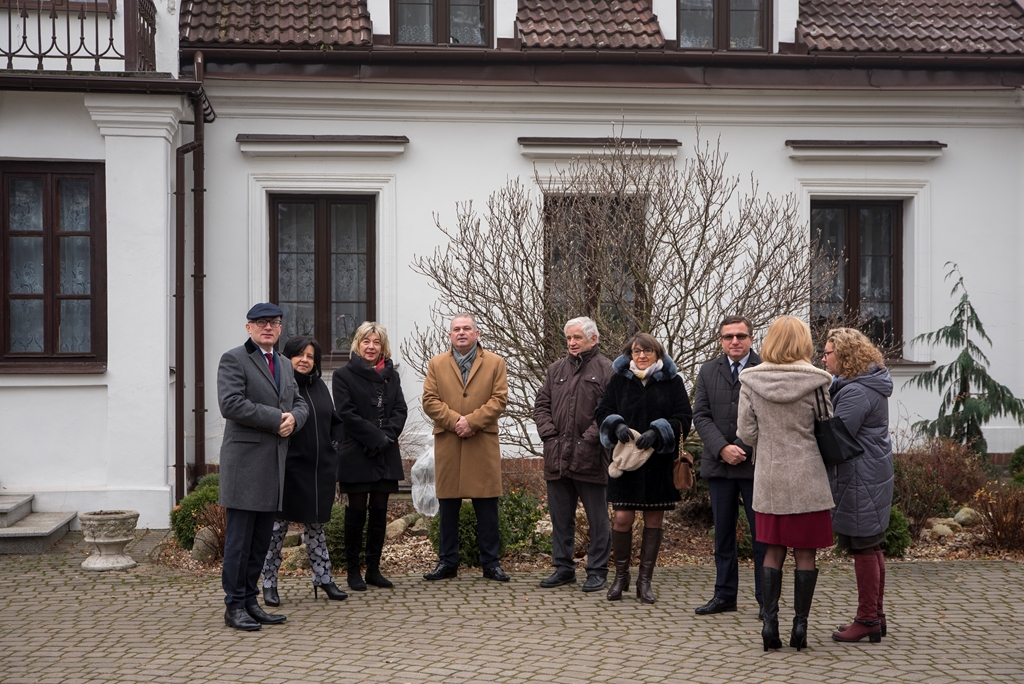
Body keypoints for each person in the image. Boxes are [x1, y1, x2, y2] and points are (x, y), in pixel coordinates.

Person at [737, 315, 835, 651]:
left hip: (770, 475)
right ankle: (800, 626)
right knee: (805, 553)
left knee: (773, 550)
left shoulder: (751, 380)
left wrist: (768, 441)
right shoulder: (817, 381)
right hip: (808, 475)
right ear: (804, 342)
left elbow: (746, 433)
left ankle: (769, 624)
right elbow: (826, 424)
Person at [217, 302, 308, 631]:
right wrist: (276, 419)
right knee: (239, 543)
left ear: (280, 328)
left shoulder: (283, 363)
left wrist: (294, 419)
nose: (268, 327)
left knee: (260, 544)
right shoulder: (233, 359)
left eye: (274, 322)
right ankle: (234, 606)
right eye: (261, 322)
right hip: (244, 467)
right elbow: (230, 404)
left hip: (273, 467)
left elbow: (299, 402)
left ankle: (250, 601)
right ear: (249, 328)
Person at [596, 332, 692, 604]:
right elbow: (602, 411)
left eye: (647, 351)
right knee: (622, 518)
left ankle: (644, 581)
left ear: (657, 353)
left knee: (654, 520)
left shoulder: (672, 382)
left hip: (658, 464)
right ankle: (620, 577)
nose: (641, 356)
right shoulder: (619, 380)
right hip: (625, 462)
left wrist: (659, 431)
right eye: (636, 351)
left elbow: (684, 417)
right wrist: (616, 425)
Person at [421, 314, 510, 582]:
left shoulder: (495, 362)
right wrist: (455, 422)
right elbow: (429, 400)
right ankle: (447, 562)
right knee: (448, 507)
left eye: (467, 328)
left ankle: (490, 564)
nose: (461, 332)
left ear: (477, 333)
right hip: (449, 442)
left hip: (481, 441)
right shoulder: (437, 363)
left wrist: (472, 422)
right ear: (450, 335)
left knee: (487, 507)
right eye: (456, 329)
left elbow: (499, 400)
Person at [261, 336, 347, 606]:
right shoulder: (278, 386)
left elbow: (334, 422)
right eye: (299, 355)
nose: (305, 360)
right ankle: (269, 583)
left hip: (317, 471)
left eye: (310, 356)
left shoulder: (320, 386)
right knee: (276, 530)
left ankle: (324, 579)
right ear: (287, 357)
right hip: (287, 471)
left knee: (315, 527)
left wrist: (334, 447)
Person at [693, 316, 767, 618]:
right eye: (728, 337)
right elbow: (701, 415)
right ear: (721, 341)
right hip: (719, 466)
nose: (734, 341)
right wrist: (722, 448)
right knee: (723, 536)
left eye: (740, 336)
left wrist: (742, 447)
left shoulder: (765, 370)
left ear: (751, 338)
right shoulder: (708, 370)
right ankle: (724, 595)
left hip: (755, 467)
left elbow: (768, 417)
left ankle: (766, 601)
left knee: (762, 537)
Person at [533, 316, 614, 592]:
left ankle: (597, 571)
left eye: (577, 337)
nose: (572, 342)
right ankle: (563, 568)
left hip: (591, 457)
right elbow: (541, 405)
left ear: (593, 339)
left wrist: (587, 440)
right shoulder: (555, 369)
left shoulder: (607, 370)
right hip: (557, 457)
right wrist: (549, 435)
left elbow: (609, 412)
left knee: (598, 520)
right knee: (560, 517)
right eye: (568, 338)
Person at [824, 328, 894, 644]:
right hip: (870, 472)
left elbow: (838, 436)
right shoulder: (866, 384)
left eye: (828, 353)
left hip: (860, 477)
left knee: (864, 545)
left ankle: (867, 619)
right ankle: (875, 617)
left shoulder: (856, 391)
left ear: (844, 356)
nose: (823, 358)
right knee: (871, 543)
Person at [332, 322, 409, 591]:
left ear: (382, 346)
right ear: (358, 344)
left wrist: (385, 437)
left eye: (376, 342)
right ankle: (353, 572)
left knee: (379, 512)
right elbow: (346, 413)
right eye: (366, 341)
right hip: (356, 452)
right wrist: (375, 438)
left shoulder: (392, 377)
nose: (371, 346)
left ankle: (374, 570)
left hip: (385, 453)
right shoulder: (343, 375)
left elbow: (400, 410)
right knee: (356, 512)